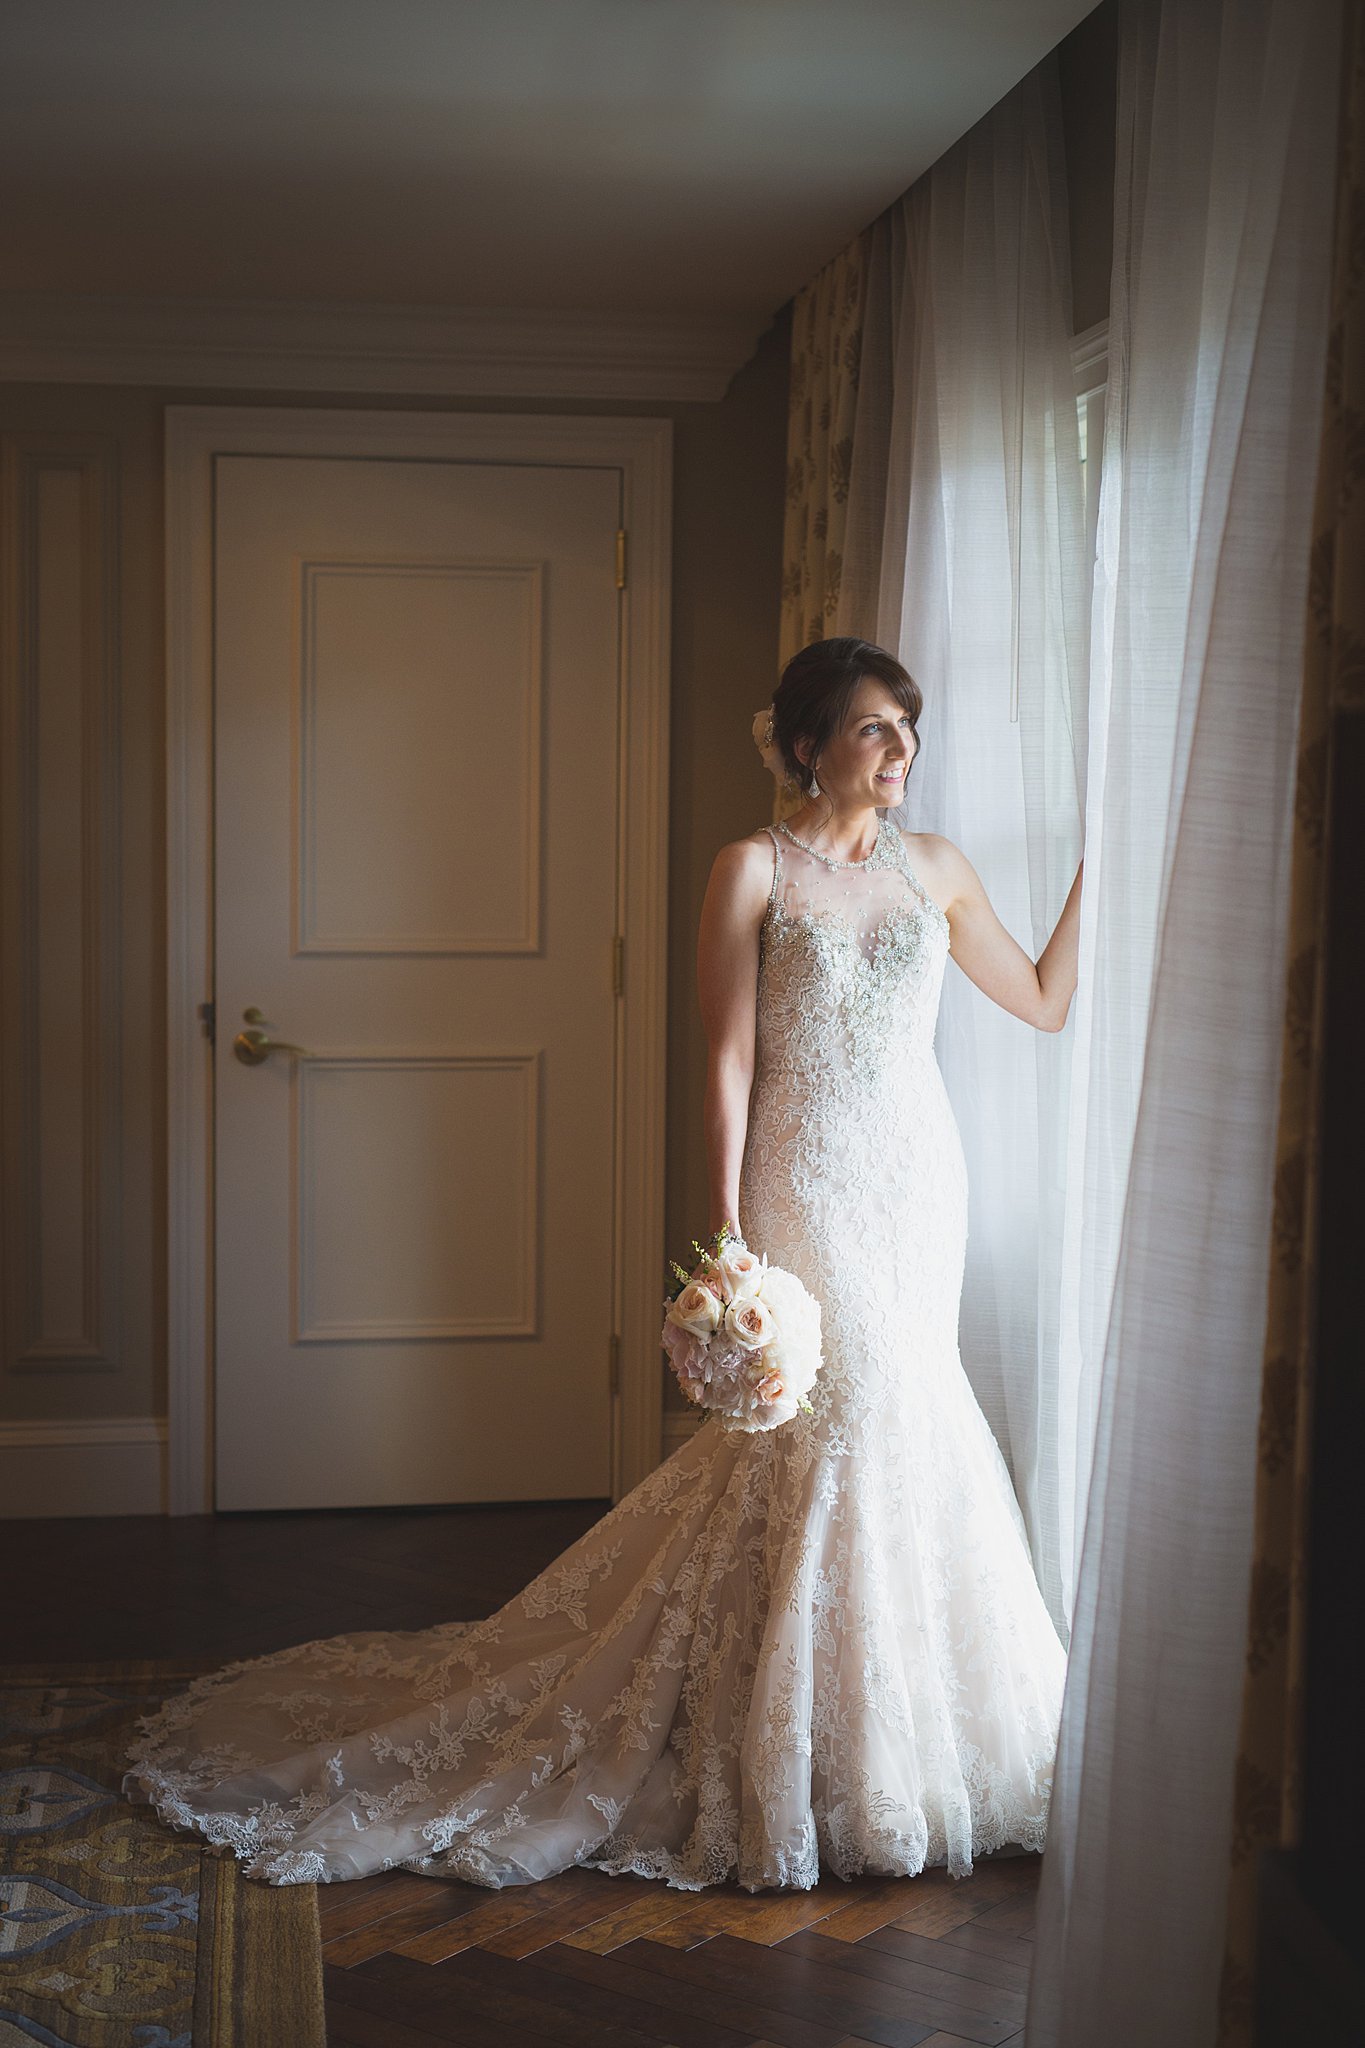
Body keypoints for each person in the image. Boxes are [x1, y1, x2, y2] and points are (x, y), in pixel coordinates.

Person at [123, 636, 1081, 1894]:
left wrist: (1111, 867)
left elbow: (1047, 1002)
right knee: (831, 1421)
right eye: (871, 728)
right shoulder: (752, 869)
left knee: (908, 1415)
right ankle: (797, 1745)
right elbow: (728, 1060)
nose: (901, 749)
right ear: (807, 744)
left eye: (908, 727)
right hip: (808, 1182)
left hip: (919, 1181)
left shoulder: (937, 868)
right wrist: (727, 1235)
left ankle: (902, 1741)